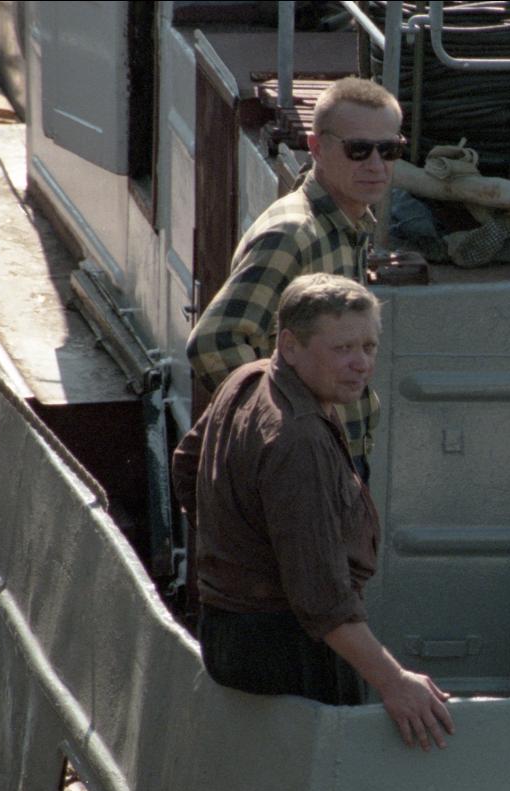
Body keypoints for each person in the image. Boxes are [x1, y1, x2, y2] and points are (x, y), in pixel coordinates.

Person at [173, 274, 455, 751]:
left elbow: (187, 464)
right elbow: (323, 600)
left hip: (230, 636)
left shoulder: (248, 379)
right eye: (342, 348)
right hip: (289, 655)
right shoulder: (298, 438)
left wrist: (237, 552)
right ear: (290, 345)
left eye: (369, 346)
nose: (361, 363)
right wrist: (394, 682)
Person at [187, 76, 406, 474]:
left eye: (389, 150)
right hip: (304, 463)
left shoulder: (348, 225)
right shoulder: (293, 235)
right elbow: (214, 342)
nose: (376, 165)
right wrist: (286, 429)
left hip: (336, 454)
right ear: (317, 148)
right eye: (358, 150)